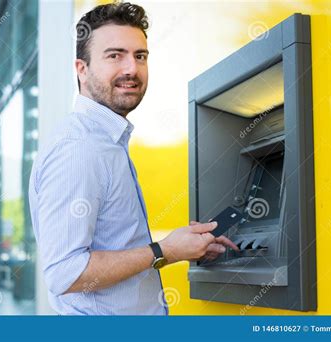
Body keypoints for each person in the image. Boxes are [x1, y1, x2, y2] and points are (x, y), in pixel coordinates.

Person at [29, 2, 238, 315]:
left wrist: (180, 248)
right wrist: (164, 249)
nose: (131, 68)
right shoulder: (80, 149)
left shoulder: (106, 142)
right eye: (115, 55)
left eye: (140, 56)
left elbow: (116, 250)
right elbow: (66, 273)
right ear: (81, 69)